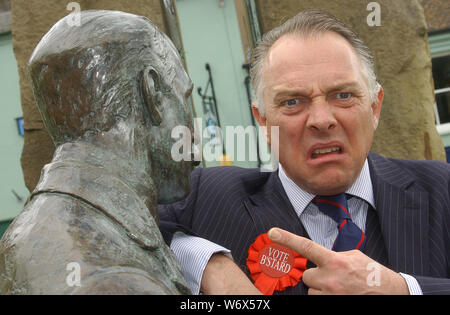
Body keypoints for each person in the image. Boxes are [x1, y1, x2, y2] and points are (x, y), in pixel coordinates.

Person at [159, 10, 450, 295]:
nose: (321, 120)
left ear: (374, 107)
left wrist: (405, 290)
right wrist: (211, 266)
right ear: (263, 120)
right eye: (292, 101)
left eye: (343, 95)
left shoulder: (442, 190)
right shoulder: (205, 199)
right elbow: (122, 232)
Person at [0, 10, 194, 294]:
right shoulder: (117, 282)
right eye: (184, 96)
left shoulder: (18, 240)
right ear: (152, 93)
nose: (194, 135)